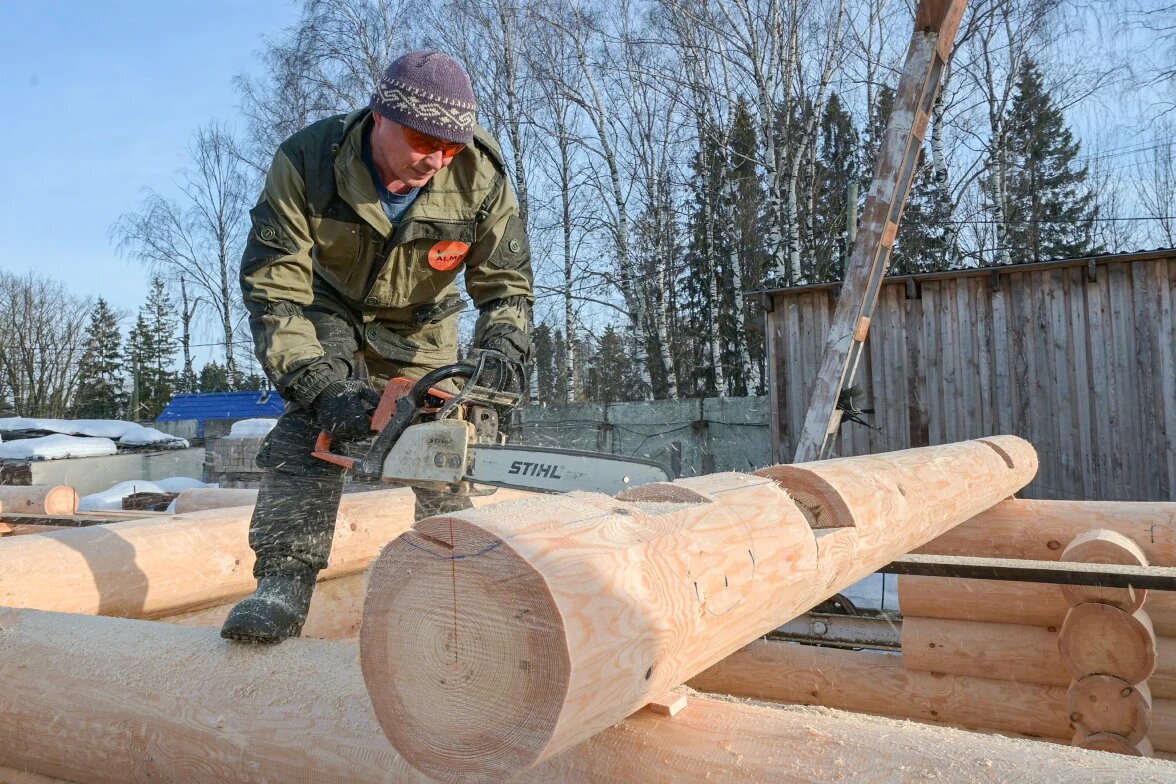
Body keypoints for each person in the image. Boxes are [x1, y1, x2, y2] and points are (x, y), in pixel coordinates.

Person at [221, 51, 533, 644]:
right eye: (424, 142)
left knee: (443, 441)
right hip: (327, 307)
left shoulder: (481, 176)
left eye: (450, 149)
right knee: (309, 431)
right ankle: (283, 584)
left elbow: (506, 286)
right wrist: (321, 387)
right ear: (381, 117)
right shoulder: (308, 161)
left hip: (421, 321)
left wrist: (503, 351)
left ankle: (454, 589)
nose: (437, 161)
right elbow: (275, 287)